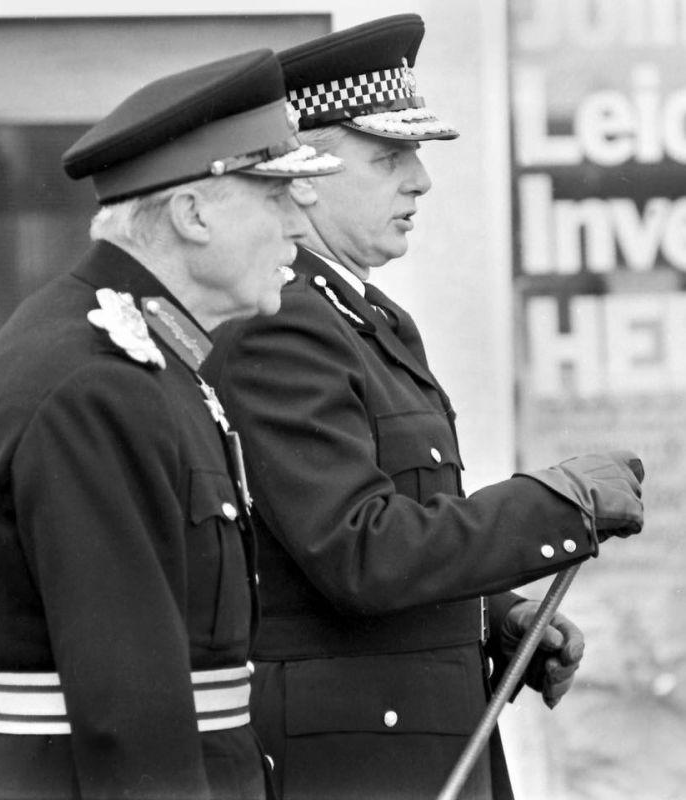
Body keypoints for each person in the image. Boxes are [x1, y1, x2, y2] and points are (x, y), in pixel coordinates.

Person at [200, 16, 644, 800]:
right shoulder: (283, 319)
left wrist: (493, 619)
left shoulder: (360, 314)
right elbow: (357, 552)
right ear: (303, 174)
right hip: (353, 766)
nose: (421, 181)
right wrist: (556, 505)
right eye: (390, 157)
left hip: (406, 747)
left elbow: (395, 525)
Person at [0, 49, 341, 800]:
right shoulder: (94, 382)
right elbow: (128, 715)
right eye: (275, 195)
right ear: (192, 214)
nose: (298, 221)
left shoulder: (150, 363)